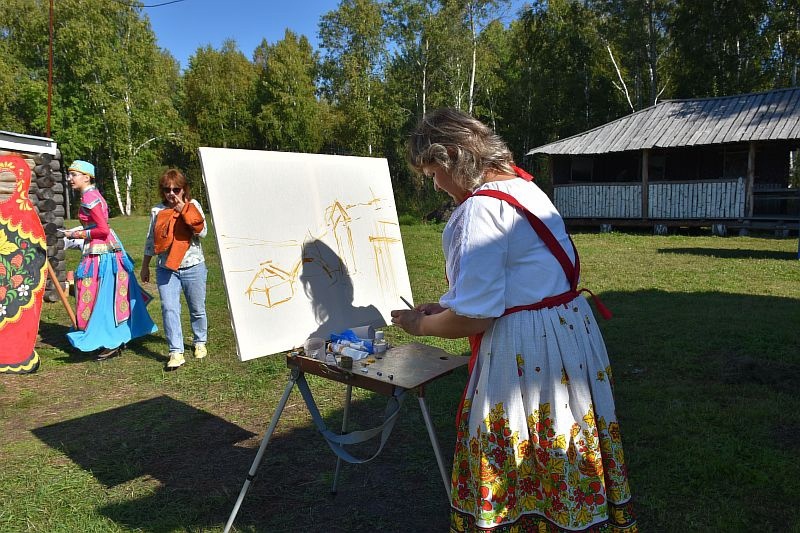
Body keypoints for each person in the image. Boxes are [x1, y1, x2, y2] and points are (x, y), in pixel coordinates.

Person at [391, 109, 636, 532]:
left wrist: (421, 326)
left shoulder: (482, 209)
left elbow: (474, 318)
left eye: (433, 173)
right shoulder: (525, 188)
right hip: (565, 335)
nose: (435, 184)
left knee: (526, 441)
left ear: (452, 156)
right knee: (561, 435)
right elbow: (521, 281)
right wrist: (445, 307)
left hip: (529, 350)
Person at [63, 160, 157, 358]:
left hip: (101, 253)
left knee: (101, 295)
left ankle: (109, 338)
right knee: (109, 294)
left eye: (74, 174)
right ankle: (112, 335)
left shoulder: (90, 197)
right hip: (106, 250)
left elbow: (102, 229)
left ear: (86, 177)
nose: (70, 178)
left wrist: (75, 235)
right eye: (70, 174)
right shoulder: (93, 194)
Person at [141, 169, 208, 370]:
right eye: (167, 189)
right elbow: (151, 240)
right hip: (166, 268)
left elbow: (202, 232)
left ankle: (200, 341)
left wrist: (184, 211)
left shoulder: (193, 205)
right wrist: (145, 266)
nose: (171, 193)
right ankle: (176, 351)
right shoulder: (157, 211)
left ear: (183, 189)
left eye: (176, 189)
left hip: (193, 265)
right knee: (169, 308)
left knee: (197, 308)